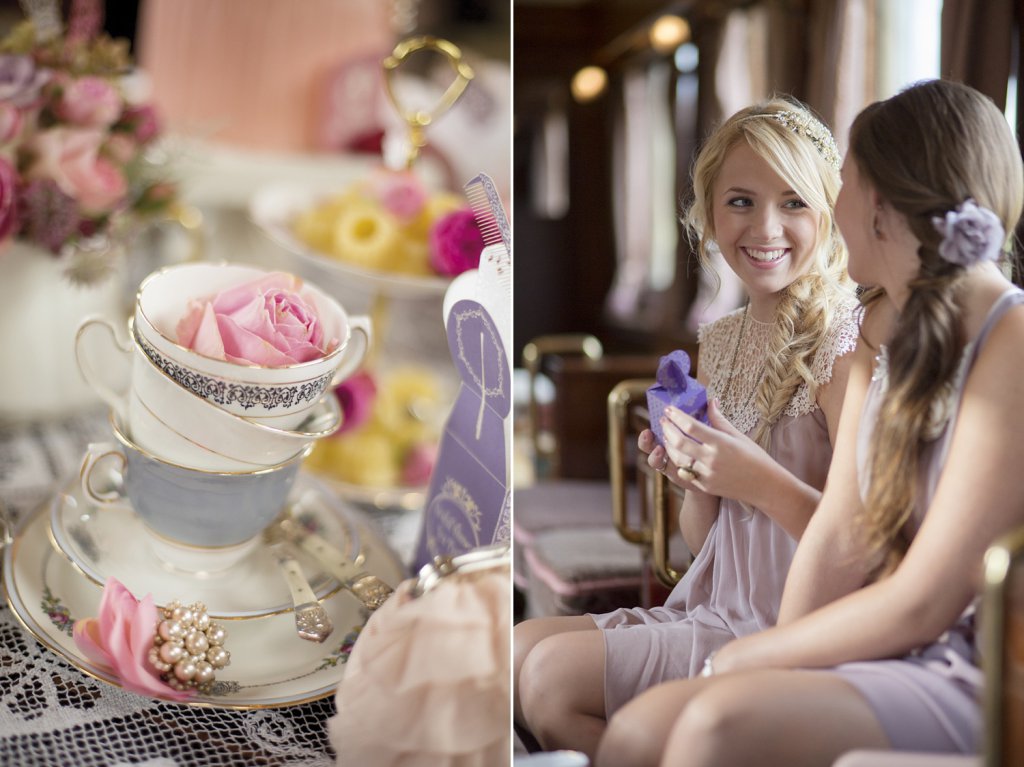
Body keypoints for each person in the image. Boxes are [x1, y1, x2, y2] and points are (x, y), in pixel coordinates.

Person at [595, 78, 1024, 767]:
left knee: (714, 728)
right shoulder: (890, 336)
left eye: (841, 182)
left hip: (978, 667)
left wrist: (754, 658)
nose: (834, 202)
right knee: (634, 736)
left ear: (880, 207)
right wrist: (768, 655)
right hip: (896, 639)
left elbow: (922, 601)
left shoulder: (1012, 336)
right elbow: (840, 537)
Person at [514, 97, 861, 758]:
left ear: (827, 211)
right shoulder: (720, 339)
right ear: (706, 212)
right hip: (713, 602)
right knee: (514, 649)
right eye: (739, 201)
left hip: (791, 623)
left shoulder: (844, 341)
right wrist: (691, 477)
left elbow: (861, 545)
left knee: (552, 682)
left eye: (793, 202)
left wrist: (754, 478)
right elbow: (705, 541)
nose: (765, 227)